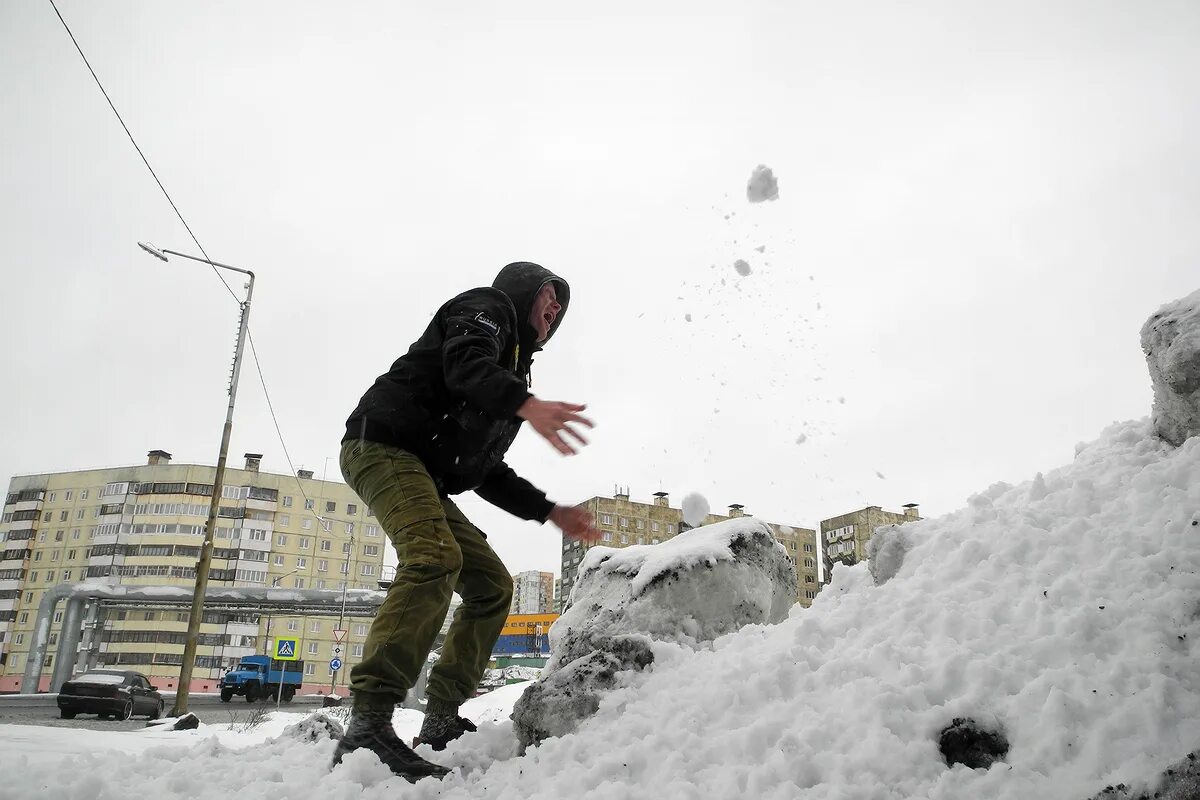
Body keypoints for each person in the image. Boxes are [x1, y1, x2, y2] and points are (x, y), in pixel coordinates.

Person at [330, 261, 601, 781]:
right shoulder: (486, 309)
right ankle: (368, 724)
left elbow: (484, 470)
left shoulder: (513, 375)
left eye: (562, 307)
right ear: (524, 291)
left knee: (493, 586)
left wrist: (549, 511)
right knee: (433, 558)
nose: (556, 307)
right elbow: (464, 364)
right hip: (383, 446)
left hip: (422, 471)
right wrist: (526, 405)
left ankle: (440, 715)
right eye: (550, 294)